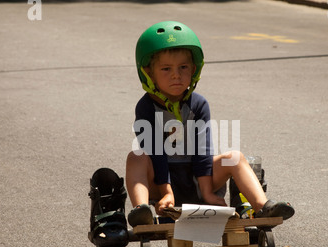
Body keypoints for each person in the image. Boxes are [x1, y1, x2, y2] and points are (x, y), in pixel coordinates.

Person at [126, 21, 294, 227]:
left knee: (235, 158)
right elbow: (156, 153)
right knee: (137, 157)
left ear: (194, 69)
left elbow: (202, 149)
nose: (176, 75)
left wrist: (207, 192)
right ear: (148, 73)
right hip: (162, 187)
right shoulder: (145, 107)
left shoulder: (198, 104)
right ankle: (141, 211)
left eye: (183, 67)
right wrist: (166, 192)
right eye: (166, 69)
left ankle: (263, 207)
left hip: (198, 179)